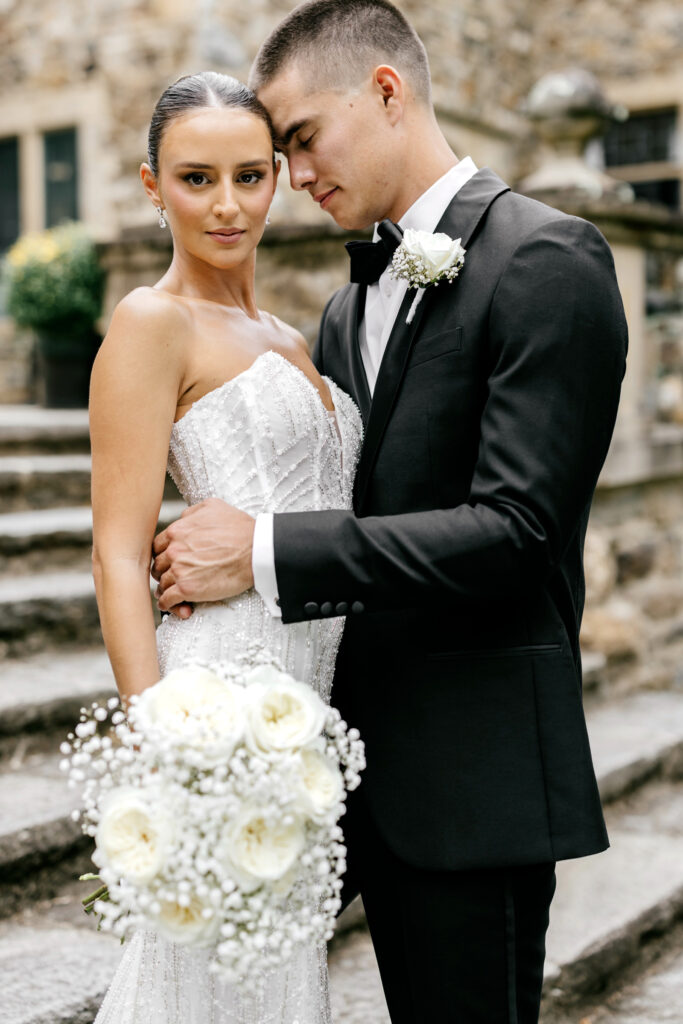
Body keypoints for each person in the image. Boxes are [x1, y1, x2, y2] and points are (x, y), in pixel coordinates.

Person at [152, 2, 629, 1022]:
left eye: (299, 139)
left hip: (471, 778)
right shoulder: (338, 308)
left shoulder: (547, 261)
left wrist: (263, 551)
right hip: (328, 784)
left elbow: (516, 533)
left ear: (383, 90)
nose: (291, 173)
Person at [89, 70, 362, 1023]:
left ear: (279, 178)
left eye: (250, 175)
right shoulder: (149, 322)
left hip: (311, 712)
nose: (227, 204)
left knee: (276, 973)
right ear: (150, 185)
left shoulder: (293, 334)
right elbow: (119, 552)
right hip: (221, 706)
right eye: (196, 178)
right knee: (202, 972)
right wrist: (158, 731)